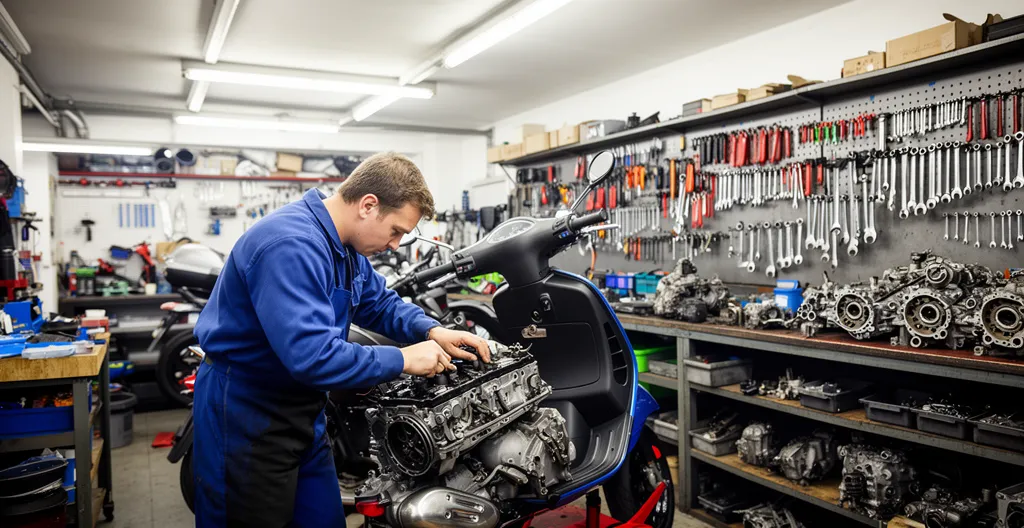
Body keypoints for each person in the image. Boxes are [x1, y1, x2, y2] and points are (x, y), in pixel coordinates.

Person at [191, 152, 490, 527]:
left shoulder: (345, 248)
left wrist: (432, 330)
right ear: (368, 205)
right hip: (246, 412)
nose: (396, 244)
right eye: (396, 230)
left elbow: (379, 303)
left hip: (303, 411)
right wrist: (404, 359)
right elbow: (313, 357)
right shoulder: (290, 245)